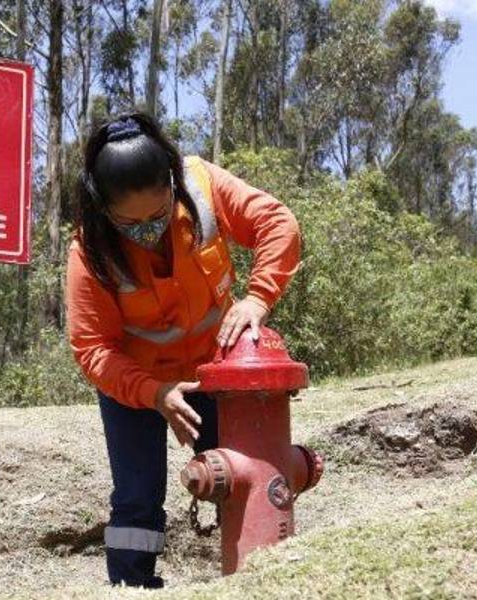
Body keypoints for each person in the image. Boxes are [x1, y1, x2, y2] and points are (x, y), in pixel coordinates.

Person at [65, 112, 301, 588]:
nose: (146, 230)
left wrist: (258, 297)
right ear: (102, 207)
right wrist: (155, 393)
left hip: (212, 375)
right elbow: (93, 348)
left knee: (244, 472)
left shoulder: (202, 185)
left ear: (171, 183)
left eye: (157, 215)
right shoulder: (89, 252)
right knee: (136, 496)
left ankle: (259, 576)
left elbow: (278, 223)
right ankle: (131, 587)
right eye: (127, 222)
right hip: (134, 386)